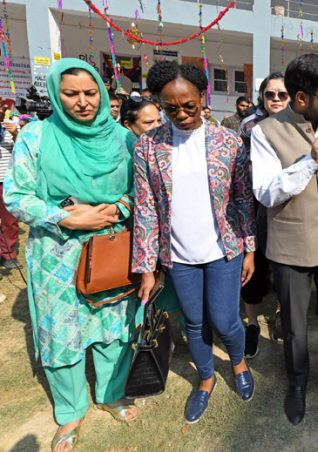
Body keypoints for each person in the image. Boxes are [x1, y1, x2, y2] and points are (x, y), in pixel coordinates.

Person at [4, 58, 139, 452]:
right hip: (56, 252)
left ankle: (112, 393)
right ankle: (70, 411)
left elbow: (141, 191)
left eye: (90, 93)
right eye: (71, 94)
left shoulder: (122, 139)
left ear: (102, 92)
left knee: (113, 324)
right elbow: (16, 195)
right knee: (61, 333)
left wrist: (118, 210)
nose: (82, 102)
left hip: (111, 248)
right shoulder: (37, 136)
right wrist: (65, 217)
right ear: (56, 96)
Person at [131, 61, 256, 424]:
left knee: (225, 319)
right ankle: (205, 377)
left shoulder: (229, 141)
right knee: (195, 322)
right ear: (160, 105)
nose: (182, 114)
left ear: (203, 97)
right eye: (171, 108)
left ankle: (237, 362)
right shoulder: (148, 148)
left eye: (189, 105)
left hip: (224, 250)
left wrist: (249, 247)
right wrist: (147, 269)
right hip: (178, 255)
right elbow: (145, 208)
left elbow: (243, 198)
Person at [250, 53, 318, 425]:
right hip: (288, 250)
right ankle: (297, 384)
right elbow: (266, 192)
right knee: (296, 327)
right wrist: (307, 161)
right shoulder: (264, 133)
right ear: (302, 98)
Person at [239, 72, 290, 356]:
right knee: (254, 271)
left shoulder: (298, 125)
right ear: (262, 96)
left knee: (285, 268)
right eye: (270, 94)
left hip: (287, 208)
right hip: (255, 208)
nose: (276, 99)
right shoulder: (249, 126)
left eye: (282, 94)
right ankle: (252, 324)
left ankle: (281, 313)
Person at [0, 98, 20, 269]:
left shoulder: (11, 124)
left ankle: (8, 254)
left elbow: (26, 148)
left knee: (10, 220)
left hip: (6, 180)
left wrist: (16, 134)